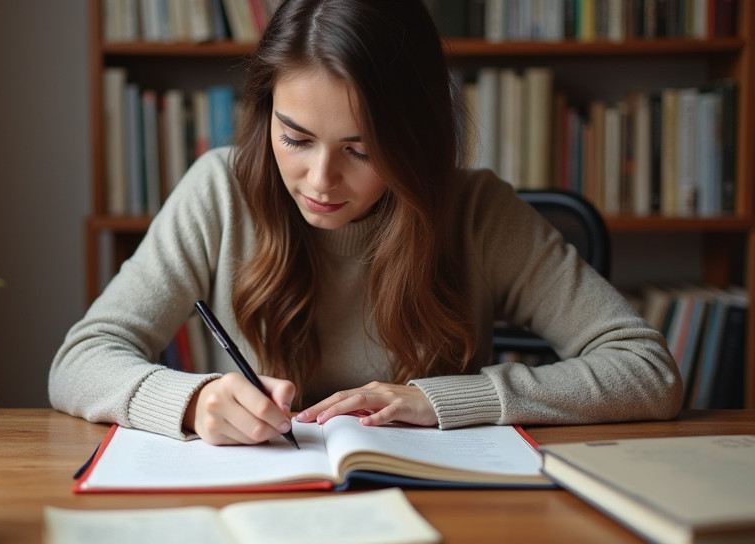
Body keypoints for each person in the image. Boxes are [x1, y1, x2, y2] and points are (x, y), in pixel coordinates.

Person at [50, 0, 682, 446]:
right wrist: (190, 402)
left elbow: (647, 371)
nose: (321, 180)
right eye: (295, 138)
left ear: (415, 140)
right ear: (266, 112)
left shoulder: (477, 214)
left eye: (361, 150)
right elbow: (81, 360)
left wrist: (442, 401)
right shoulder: (220, 191)